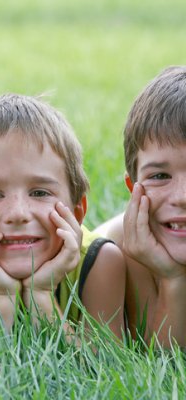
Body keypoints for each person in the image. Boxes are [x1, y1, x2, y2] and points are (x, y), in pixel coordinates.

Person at [0, 93, 126, 357]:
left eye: (40, 193)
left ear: (77, 212)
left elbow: (104, 369)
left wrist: (42, 295)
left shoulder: (102, 262)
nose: (18, 214)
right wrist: (1, 299)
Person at [94, 66, 186, 347]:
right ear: (132, 188)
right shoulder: (110, 257)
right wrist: (172, 279)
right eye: (159, 176)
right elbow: (165, 365)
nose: (181, 196)